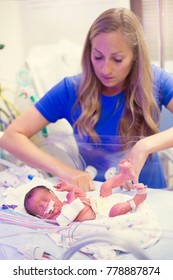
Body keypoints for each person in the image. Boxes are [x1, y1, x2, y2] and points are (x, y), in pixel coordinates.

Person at [0, 8, 173, 190]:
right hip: (94, 196)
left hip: (150, 193)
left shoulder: (157, 81)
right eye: (98, 57)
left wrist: (144, 146)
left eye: (117, 59)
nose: (105, 69)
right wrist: (64, 170)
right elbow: (11, 137)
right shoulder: (70, 90)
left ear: (135, 57)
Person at [24, 159, 147, 224]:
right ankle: (137, 199)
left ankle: (125, 176)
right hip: (102, 214)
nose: (45, 205)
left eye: (46, 199)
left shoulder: (63, 202)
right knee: (116, 210)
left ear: (53, 195)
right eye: (40, 208)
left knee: (105, 186)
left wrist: (70, 188)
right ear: (39, 216)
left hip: (98, 202)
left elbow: (82, 195)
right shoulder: (57, 218)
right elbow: (70, 215)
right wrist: (71, 201)